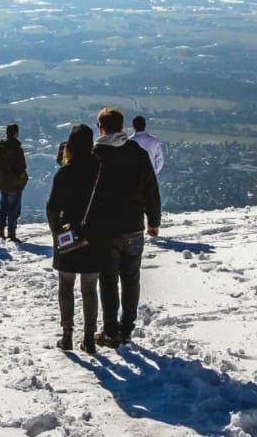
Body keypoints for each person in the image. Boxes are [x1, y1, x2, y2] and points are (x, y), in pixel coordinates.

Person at [90, 107, 161, 347]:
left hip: (106, 230)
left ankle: (110, 330)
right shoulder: (137, 152)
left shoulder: (96, 154)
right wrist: (153, 221)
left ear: (100, 128)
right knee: (131, 279)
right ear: (123, 128)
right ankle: (127, 328)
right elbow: (151, 188)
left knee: (108, 281)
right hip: (133, 226)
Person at [46, 124, 104, 354]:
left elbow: (52, 206)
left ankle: (67, 334)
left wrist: (56, 231)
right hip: (94, 236)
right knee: (90, 288)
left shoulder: (65, 172)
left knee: (66, 285)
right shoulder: (100, 170)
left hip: (68, 236)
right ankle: (89, 337)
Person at [0, 124, 28, 242]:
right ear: (16, 133)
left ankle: (0, 232)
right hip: (15, 184)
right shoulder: (17, 149)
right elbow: (22, 167)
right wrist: (23, 180)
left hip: (3, 183)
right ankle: (11, 234)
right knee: (14, 209)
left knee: (3, 207)